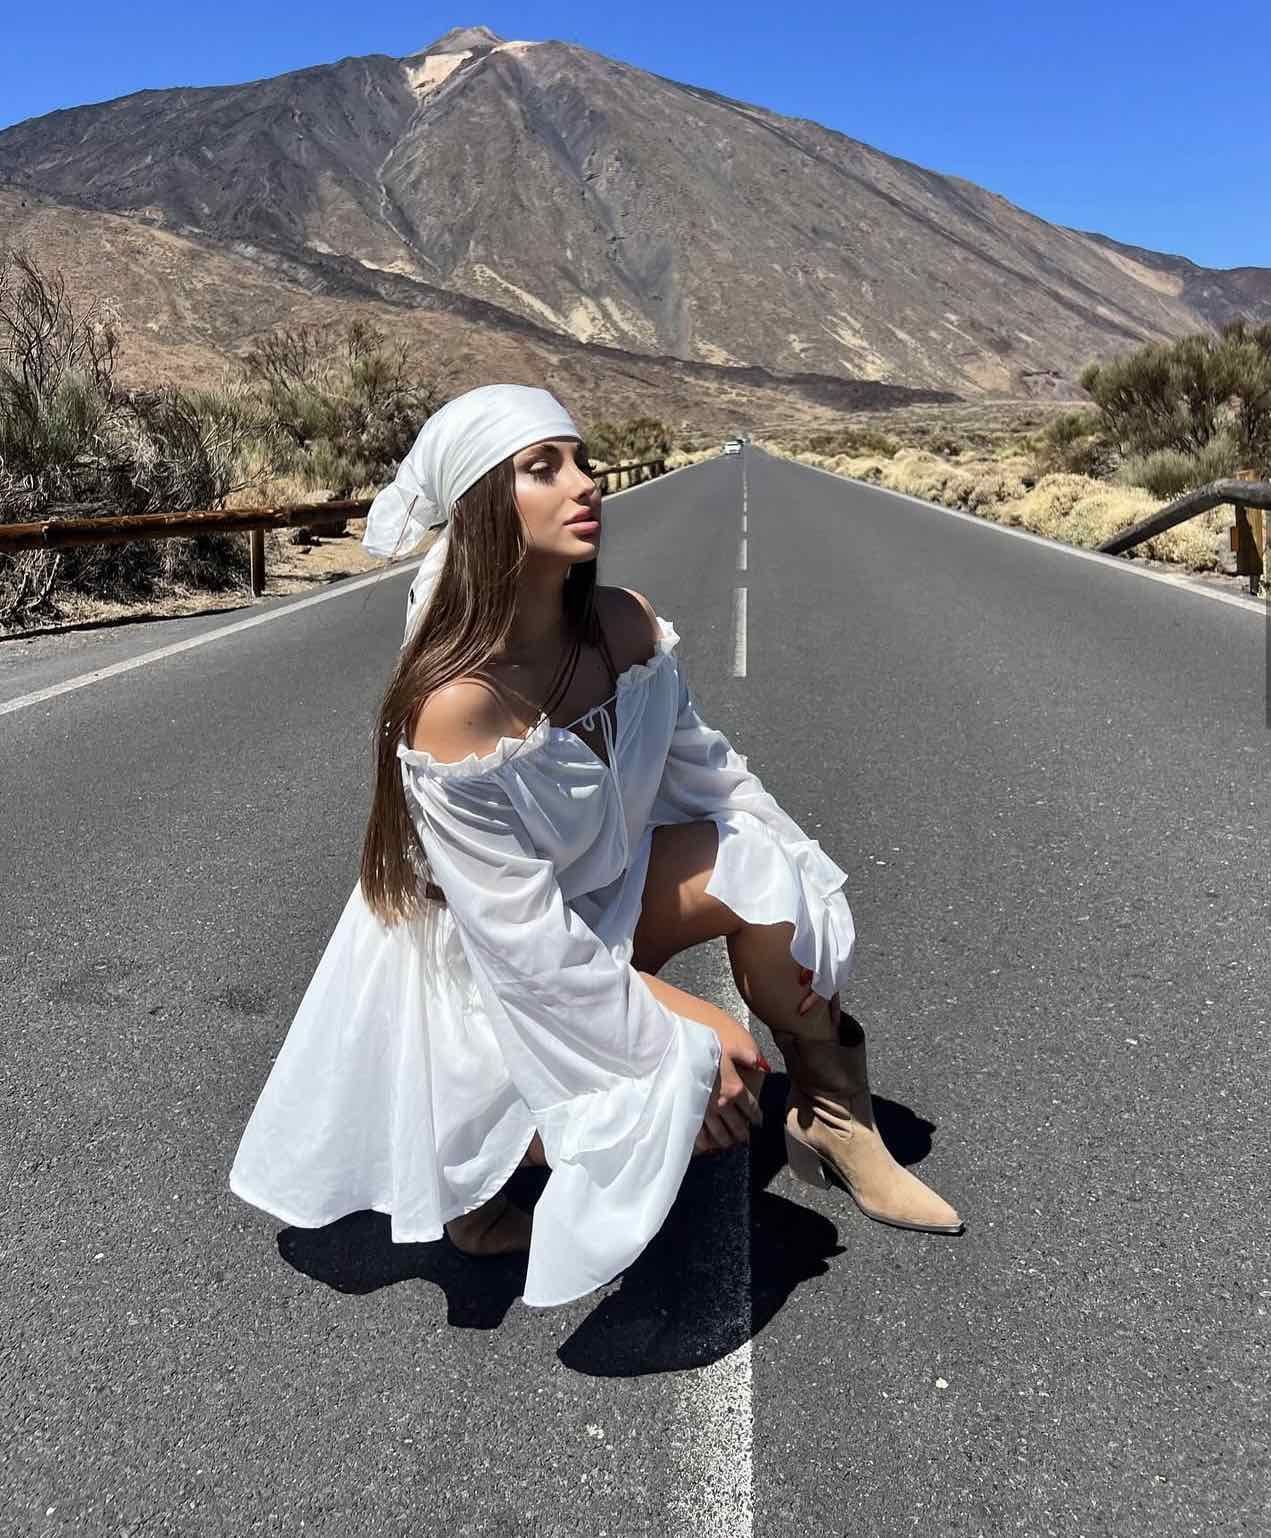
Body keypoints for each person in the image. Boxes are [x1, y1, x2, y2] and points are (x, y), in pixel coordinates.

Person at [229, 384, 962, 1310]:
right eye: (543, 469)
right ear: (483, 507)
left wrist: (813, 896)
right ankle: (486, 1179)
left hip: (596, 905)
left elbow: (713, 776)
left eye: (581, 460)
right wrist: (687, 1031)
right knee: (692, 1062)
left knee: (766, 867)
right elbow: (523, 948)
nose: (585, 484)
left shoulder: (623, 626)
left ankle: (831, 1118)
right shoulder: (458, 705)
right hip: (485, 970)